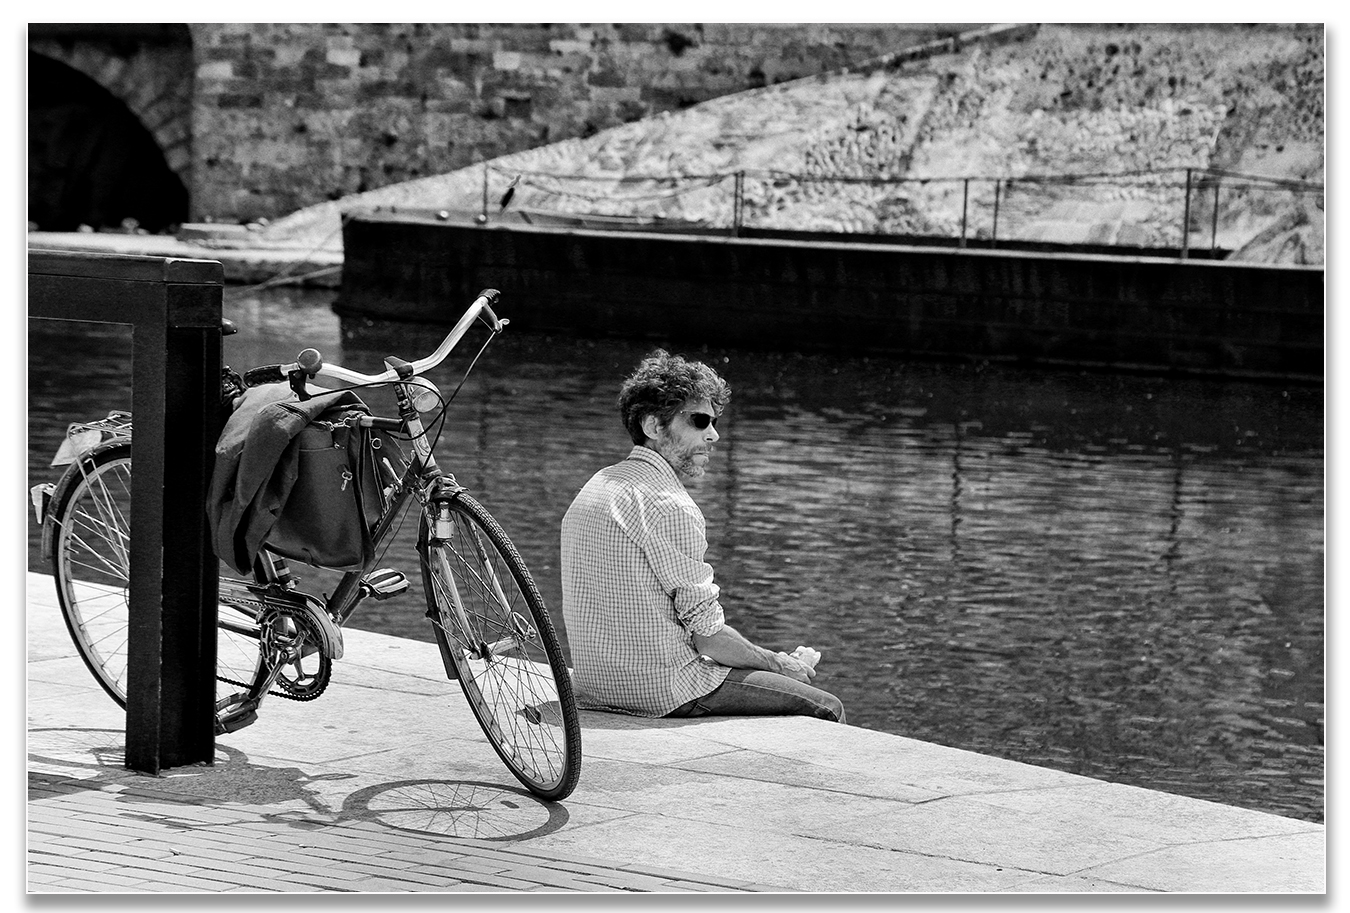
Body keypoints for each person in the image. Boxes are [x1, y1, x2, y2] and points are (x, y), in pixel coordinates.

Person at [560, 349, 845, 723]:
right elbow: (709, 638)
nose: (713, 435)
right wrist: (779, 663)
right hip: (663, 689)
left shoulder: (596, 485)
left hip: (595, 685)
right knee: (826, 707)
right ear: (653, 427)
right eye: (698, 420)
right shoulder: (671, 505)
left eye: (713, 421)